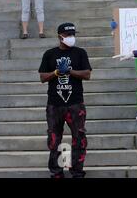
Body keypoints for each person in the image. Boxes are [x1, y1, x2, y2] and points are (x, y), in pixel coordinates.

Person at [39, 23, 92, 178]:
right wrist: (56, 72)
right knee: (55, 139)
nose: (71, 38)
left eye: (73, 35)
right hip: (55, 104)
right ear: (60, 36)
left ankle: (76, 171)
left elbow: (87, 74)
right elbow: (42, 77)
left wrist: (70, 71)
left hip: (75, 103)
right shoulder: (49, 54)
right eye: (68, 35)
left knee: (79, 137)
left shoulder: (80, 53)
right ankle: (57, 172)